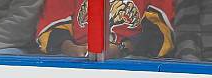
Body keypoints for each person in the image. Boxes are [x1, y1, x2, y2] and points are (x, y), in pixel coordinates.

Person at [36, 0, 174, 58]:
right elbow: (53, 23)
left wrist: (123, 48)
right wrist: (69, 48)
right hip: (75, 57)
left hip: (134, 58)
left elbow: (161, 32)